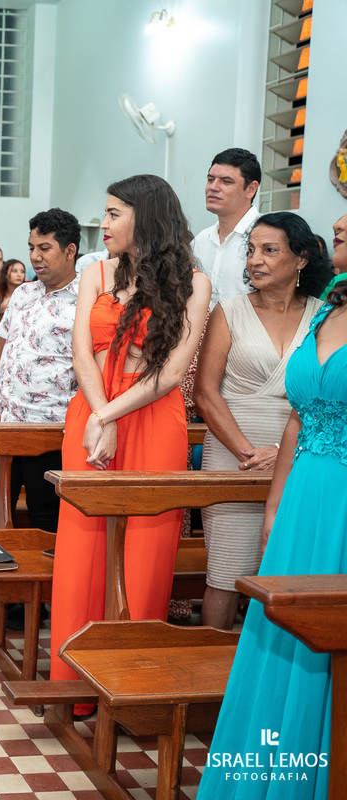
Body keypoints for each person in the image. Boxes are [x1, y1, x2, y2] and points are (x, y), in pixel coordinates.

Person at [49, 176, 211, 712]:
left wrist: (113, 414)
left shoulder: (194, 283)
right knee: (82, 545)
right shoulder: (95, 272)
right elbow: (80, 352)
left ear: (146, 217)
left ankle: (134, 686)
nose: (105, 223)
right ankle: (75, 685)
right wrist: (101, 415)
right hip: (92, 413)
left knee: (145, 549)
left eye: (115, 213)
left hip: (152, 418)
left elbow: (172, 370)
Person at [197, 262, 346, 797]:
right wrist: (274, 509)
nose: (337, 235)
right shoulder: (330, 310)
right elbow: (297, 418)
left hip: (341, 501)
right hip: (302, 492)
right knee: (279, 628)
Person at [193, 212, 330, 630]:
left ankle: (262, 677)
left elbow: (327, 397)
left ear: (301, 258)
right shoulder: (229, 311)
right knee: (225, 574)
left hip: (300, 455)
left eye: (269, 250)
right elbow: (204, 392)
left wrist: (284, 453)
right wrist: (249, 453)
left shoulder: (326, 317)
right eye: (250, 250)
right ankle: (210, 681)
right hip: (234, 454)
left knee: (286, 574)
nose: (256, 260)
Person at [0, 209, 82, 532]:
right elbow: (1, 345)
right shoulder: (24, 293)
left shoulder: (85, 300)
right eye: (31, 248)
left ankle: (44, 583)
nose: (35, 257)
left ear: (70, 250)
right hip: (4, 423)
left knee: (45, 515)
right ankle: (2, 581)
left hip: (49, 427)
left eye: (44, 248)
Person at [193, 148, 262, 309]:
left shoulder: (268, 237)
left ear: (251, 189)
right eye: (210, 180)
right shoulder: (201, 240)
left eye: (226, 181)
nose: (213, 187)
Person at [0, 257, 27, 342]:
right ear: (5, 274)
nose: (19, 275)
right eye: (14, 271)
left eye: (22, 271)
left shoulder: (28, 295)